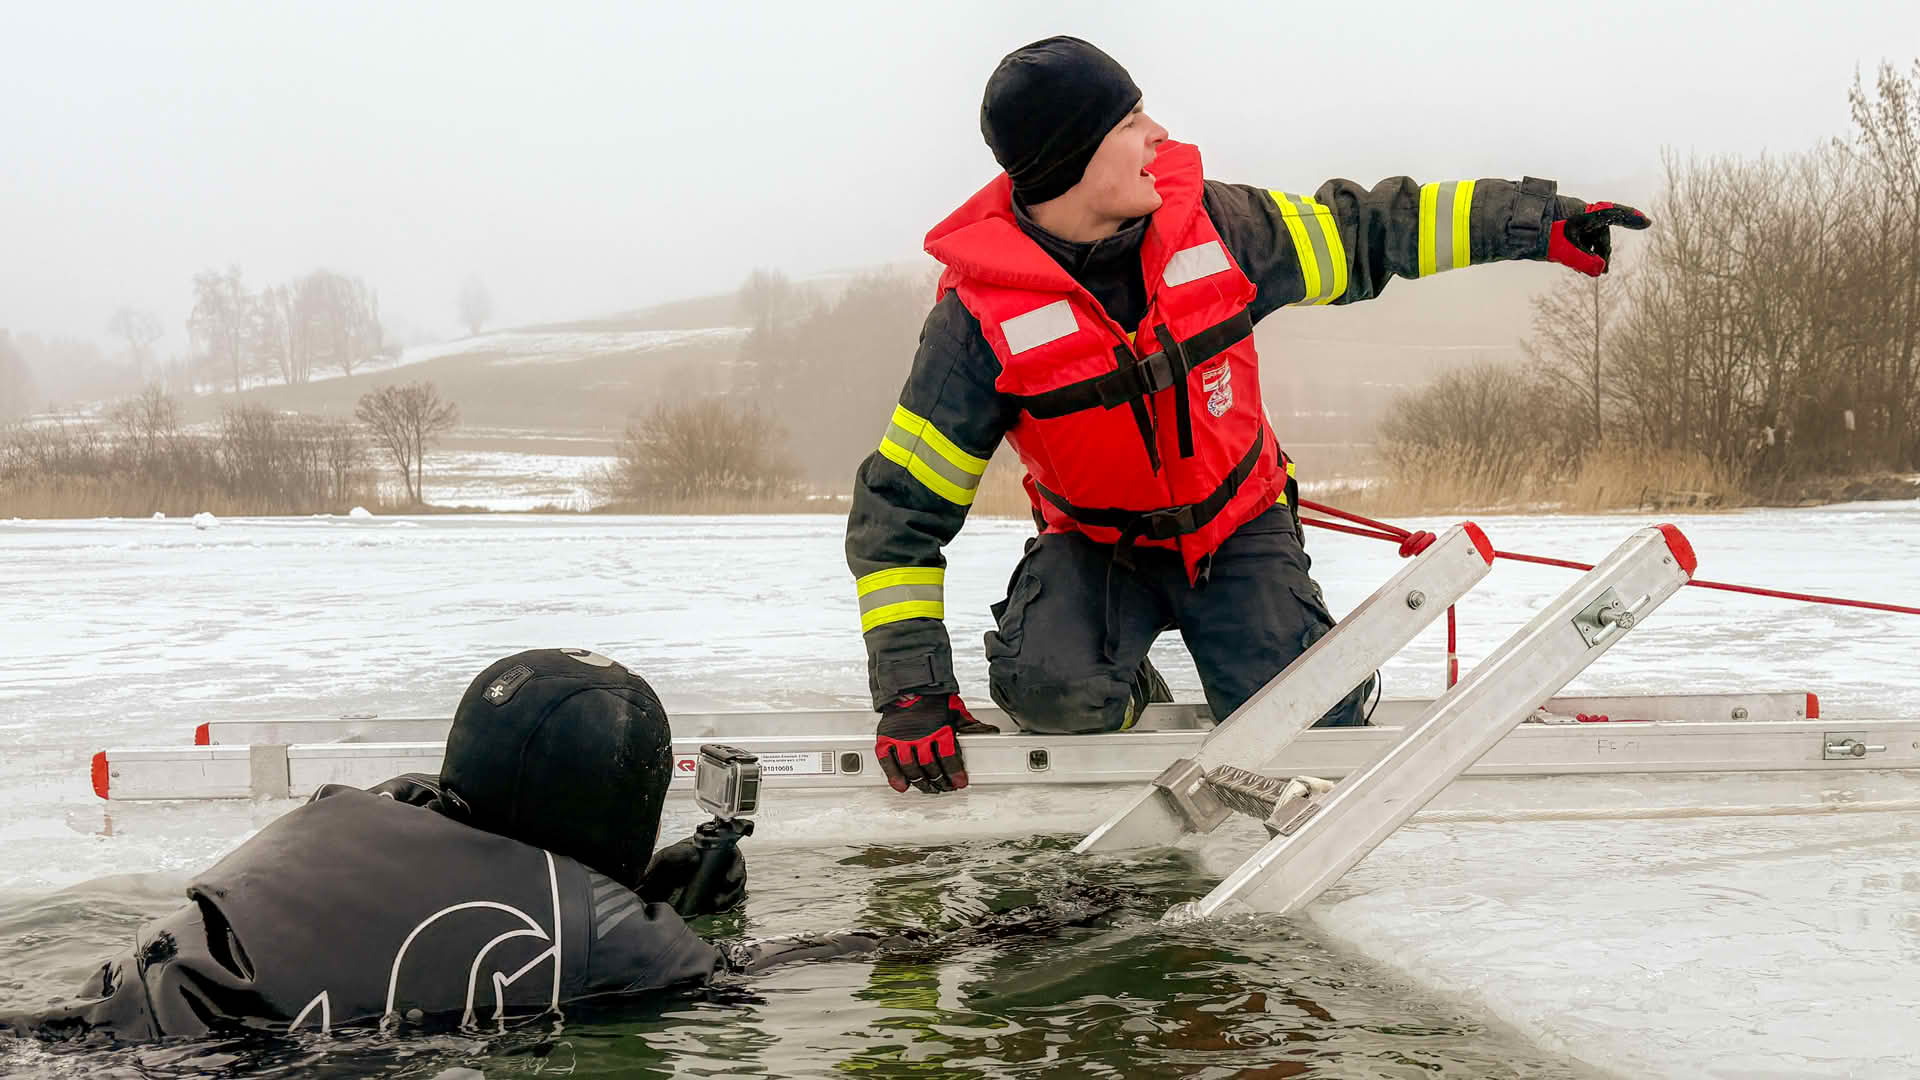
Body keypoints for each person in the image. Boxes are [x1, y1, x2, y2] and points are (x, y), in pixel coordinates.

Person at [846, 36, 1649, 794]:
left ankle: (1291, 651)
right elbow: (901, 509)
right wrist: (912, 691)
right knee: (1054, 699)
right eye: (1130, 123)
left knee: (1310, 716)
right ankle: (1119, 681)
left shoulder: (1223, 228)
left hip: (1238, 525)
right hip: (1095, 546)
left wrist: (1539, 222)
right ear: (1076, 159)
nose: (1158, 133)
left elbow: (1370, 228)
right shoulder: (977, 320)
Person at [2, 649, 745, 1041]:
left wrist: (643, 886)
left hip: (97, 1001)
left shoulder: (377, 805)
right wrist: (697, 917)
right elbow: (725, 982)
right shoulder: (609, 936)